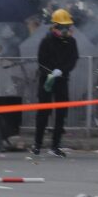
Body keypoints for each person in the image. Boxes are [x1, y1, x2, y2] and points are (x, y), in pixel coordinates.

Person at [33, 9, 79, 157]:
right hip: (46, 80)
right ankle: (37, 144)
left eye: (67, 27)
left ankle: (55, 145)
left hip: (62, 80)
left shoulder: (71, 42)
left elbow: (73, 60)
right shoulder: (46, 41)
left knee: (61, 114)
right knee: (43, 113)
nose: (65, 30)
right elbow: (41, 61)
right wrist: (50, 72)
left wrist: (62, 71)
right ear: (55, 27)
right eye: (62, 27)